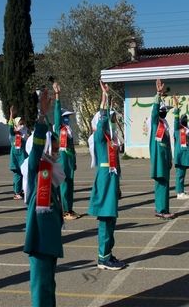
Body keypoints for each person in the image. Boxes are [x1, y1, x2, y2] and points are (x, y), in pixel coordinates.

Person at [23, 87, 65, 307]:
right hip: (39, 239)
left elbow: (54, 130)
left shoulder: (53, 174)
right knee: (40, 287)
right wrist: (42, 116)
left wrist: (55, 107)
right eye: (54, 148)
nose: (57, 151)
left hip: (51, 238)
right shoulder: (35, 170)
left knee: (49, 284)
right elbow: (38, 146)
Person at [87, 81, 126, 270]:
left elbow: (116, 165)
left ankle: (107, 253)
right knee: (105, 219)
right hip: (104, 181)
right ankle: (103, 258)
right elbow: (103, 120)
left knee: (111, 219)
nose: (111, 122)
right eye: (108, 120)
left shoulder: (110, 140)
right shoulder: (98, 138)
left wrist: (118, 186)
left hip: (111, 181)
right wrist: (105, 98)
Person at [52, 81, 80, 220]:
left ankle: (69, 208)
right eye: (66, 117)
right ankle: (64, 210)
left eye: (69, 117)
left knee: (70, 185)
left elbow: (72, 148)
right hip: (61, 160)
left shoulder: (69, 132)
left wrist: (74, 161)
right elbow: (56, 113)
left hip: (69, 160)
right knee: (63, 186)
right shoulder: (58, 129)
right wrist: (57, 95)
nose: (68, 119)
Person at [150, 79, 175, 219]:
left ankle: (164, 209)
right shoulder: (155, 123)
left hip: (164, 160)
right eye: (164, 111)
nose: (166, 113)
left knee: (165, 185)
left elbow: (168, 145)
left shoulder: (164, 126)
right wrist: (158, 94)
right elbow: (154, 112)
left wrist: (170, 158)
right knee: (161, 184)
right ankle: (161, 209)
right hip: (158, 160)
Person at [172, 95, 189, 200]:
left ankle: (181, 191)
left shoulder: (186, 129)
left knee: (182, 175)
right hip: (180, 156)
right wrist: (176, 107)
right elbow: (176, 120)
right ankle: (179, 193)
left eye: (186, 119)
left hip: (185, 156)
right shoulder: (177, 129)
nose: (185, 120)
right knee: (179, 175)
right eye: (183, 119)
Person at [8, 107, 28, 200]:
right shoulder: (13, 135)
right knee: (17, 175)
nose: (22, 125)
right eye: (20, 124)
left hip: (23, 158)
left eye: (23, 123)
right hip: (16, 160)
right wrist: (11, 115)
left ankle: (21, 190)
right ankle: (17, 192)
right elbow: (10, 127)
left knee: (24, 175)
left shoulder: (23, 134)